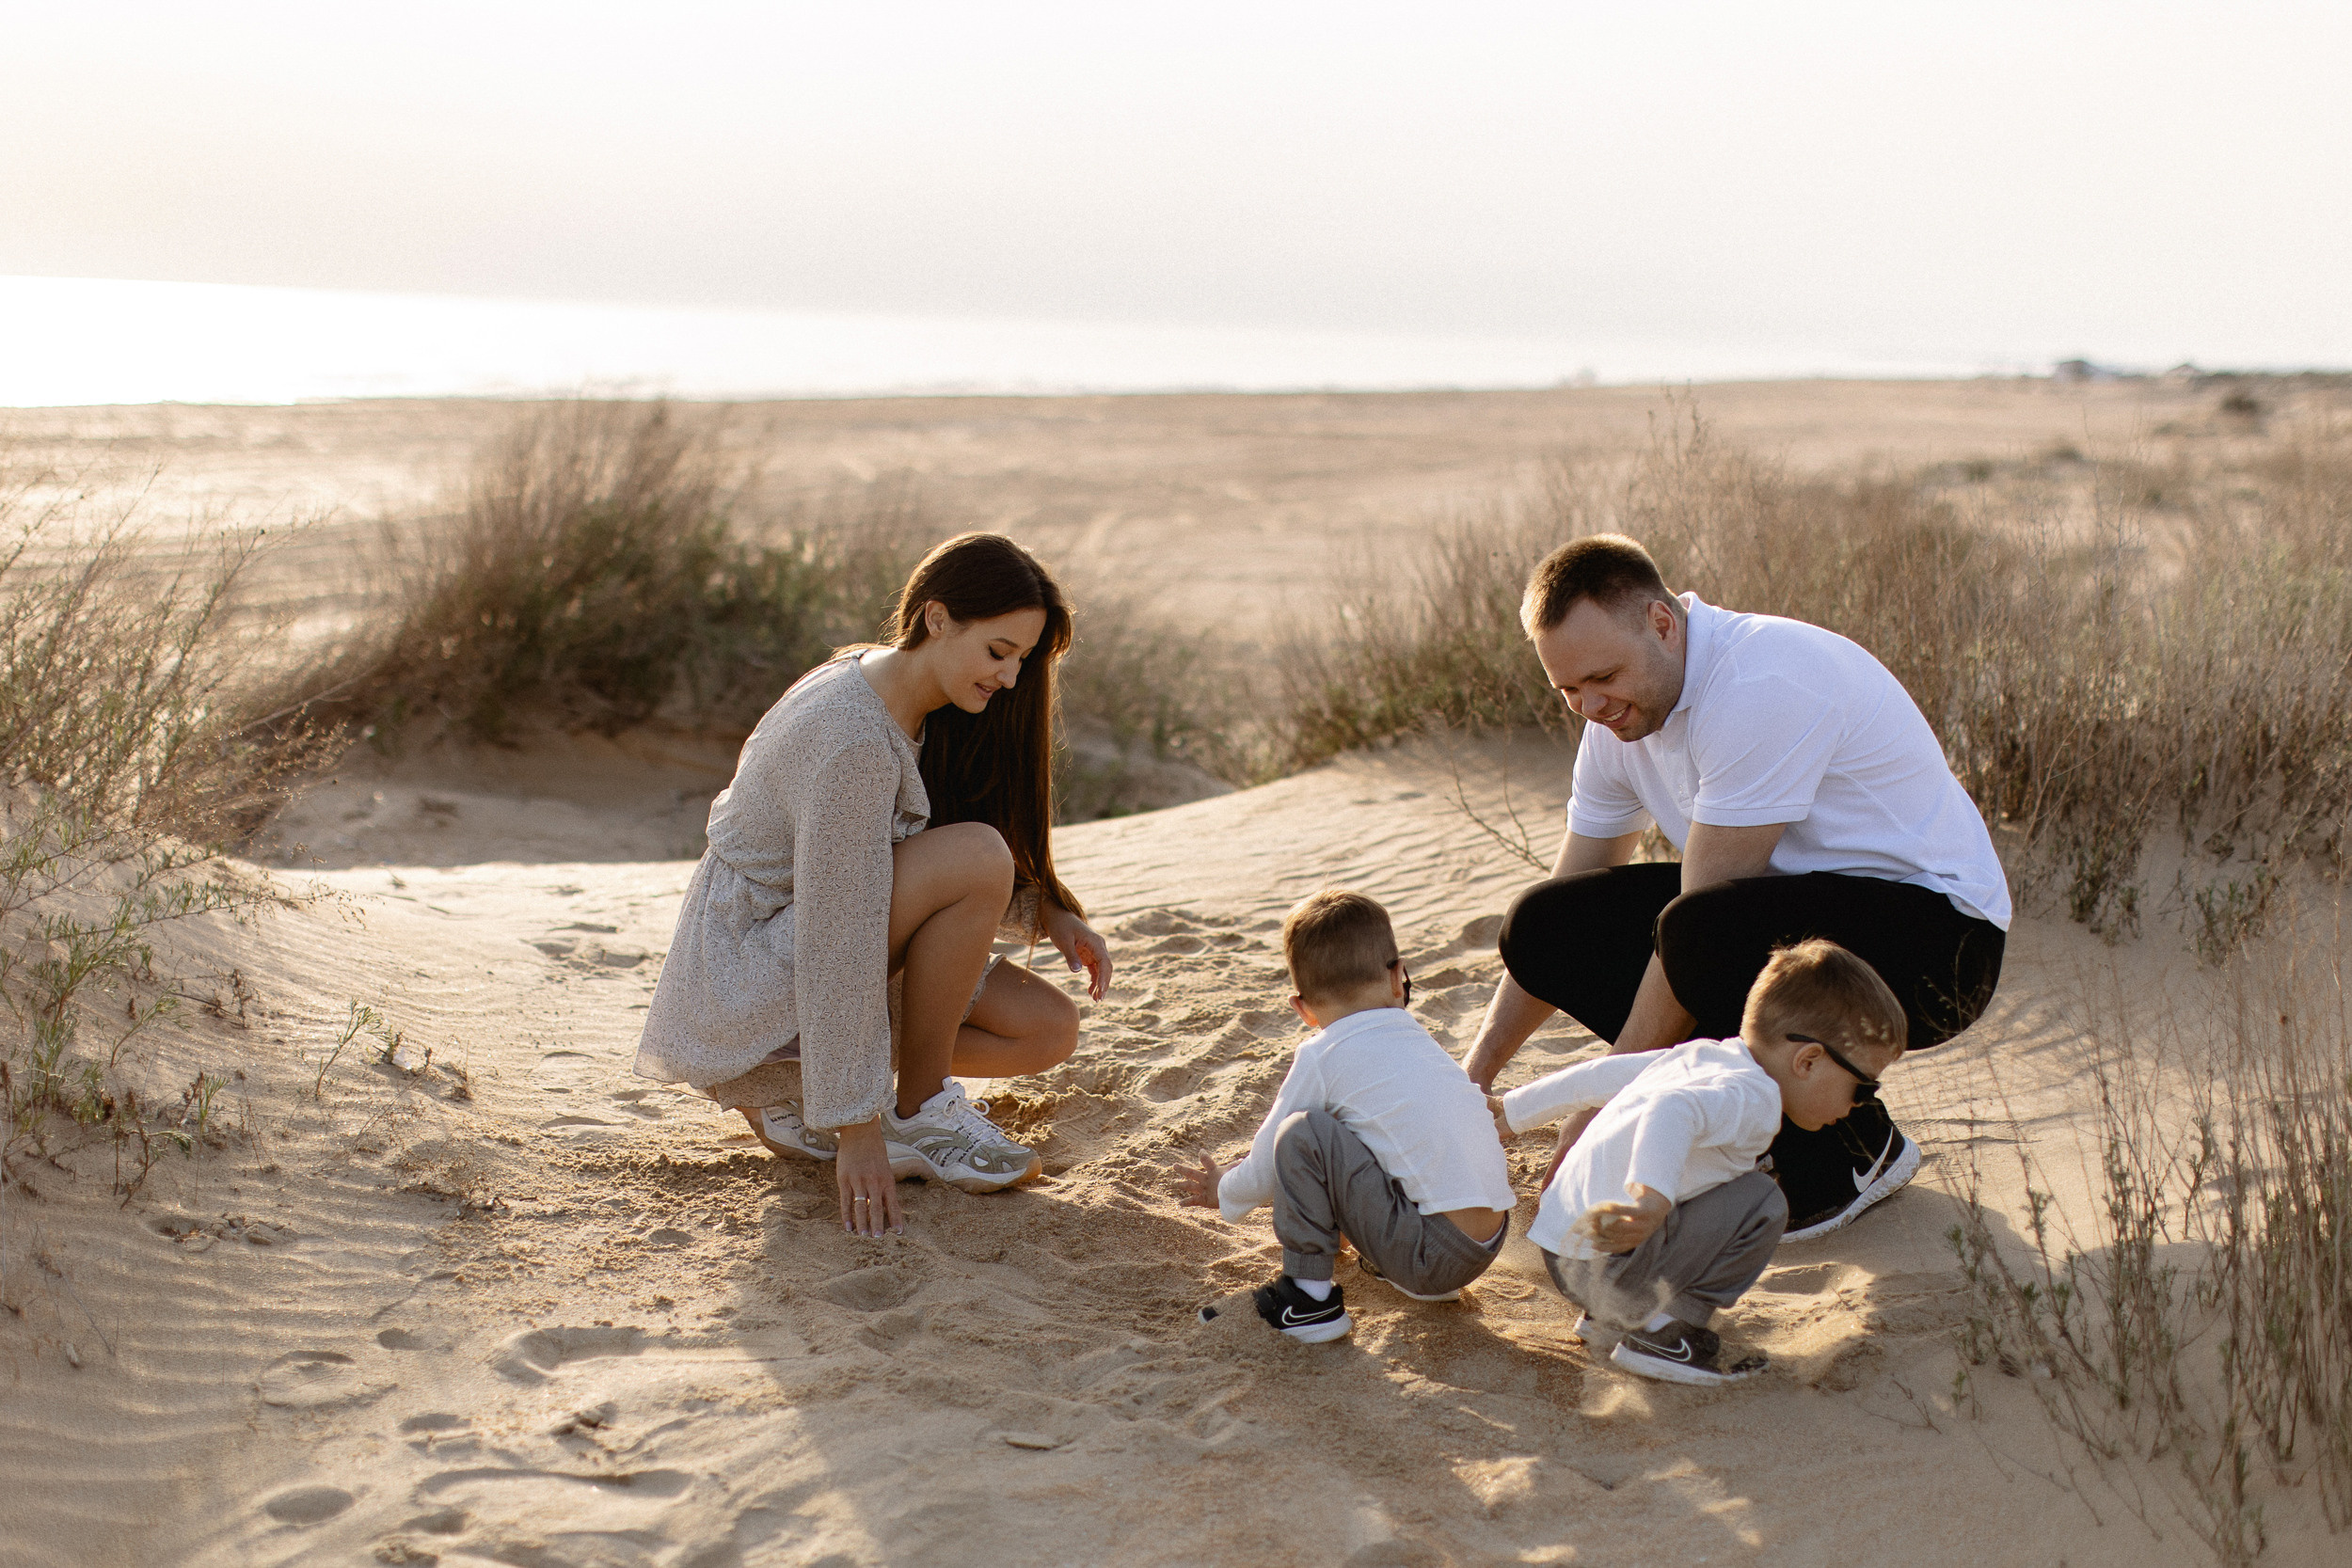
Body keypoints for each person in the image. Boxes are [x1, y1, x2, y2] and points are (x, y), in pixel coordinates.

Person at [1463, 533, 2009, 1242]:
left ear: (1663, 623)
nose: (1591, 705)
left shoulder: (1757, 682)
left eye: (1603, 676)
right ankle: (1784, 1119)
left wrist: (1595, 1113)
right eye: (1568, 689)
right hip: (1803, 928)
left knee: (1697, 935)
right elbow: (1568, 896)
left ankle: (1848, 1150)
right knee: (1540, 924)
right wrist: (1472, 1082)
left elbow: (1696, 941)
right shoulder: (1615, 724)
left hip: (1941, 942)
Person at [633, 532, 1112, 1238]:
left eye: (1020, 660)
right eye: (998, 652)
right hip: (749, 969)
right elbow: (838, 932)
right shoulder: (854, 738)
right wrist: (855, 1132)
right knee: (980, 853)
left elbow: (885, 879)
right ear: (937, 617)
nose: (1010, 678)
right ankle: (900, 1109)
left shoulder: (908, 695)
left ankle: (831, 1092)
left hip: (810, 944)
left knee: (1046, 1029)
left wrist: (1049, 913)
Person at [1502, 939, 1906, 1385]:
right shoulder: (1754, 1096)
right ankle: (1666, 1336)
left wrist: (1513, 1111)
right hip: (1608, 1260)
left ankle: (1615, 1318)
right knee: (1761, 1200)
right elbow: (1672, 1110)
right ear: (1808, 1061)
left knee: (1725, 1179)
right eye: (1863, 1089)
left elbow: (1601, 1075)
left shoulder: (1701, 1056)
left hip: (1564, 1253)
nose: (1858, 1106)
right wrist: (1651, 1199)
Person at [1174, 890, 1514, 1343]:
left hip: (1432, 1252)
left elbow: (1267, 1165)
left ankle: (1308, 1298)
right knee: (1365, 1127)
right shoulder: (1414, 1037)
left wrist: (1224, 1189)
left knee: (1301, 1133)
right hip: (1488, 1241)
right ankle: (1402, 1270)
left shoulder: (1323, 1054)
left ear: (1303, 1009)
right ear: (1398, 978)